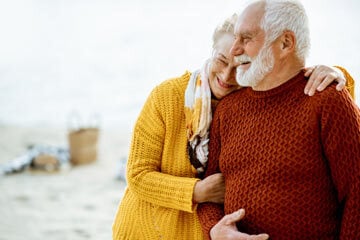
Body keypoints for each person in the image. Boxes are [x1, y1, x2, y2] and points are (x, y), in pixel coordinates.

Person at [112, 12, 354, 239]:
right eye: (222, 60)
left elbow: (299, 90)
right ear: (212, 50)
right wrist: (197, 191)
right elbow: (138, 174)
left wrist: (338, 73)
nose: (227, 76)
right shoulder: (167, 96)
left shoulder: (250, 101)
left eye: (239, 66)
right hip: (145, 228)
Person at [197, 1, 360, 239]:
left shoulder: (327, 102)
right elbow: (210, 195)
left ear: (285, 43)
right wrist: (215, 230)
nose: (234, 50)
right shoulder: (228, 109)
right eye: (235, 38)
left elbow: (357, 195)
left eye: (246, 38)